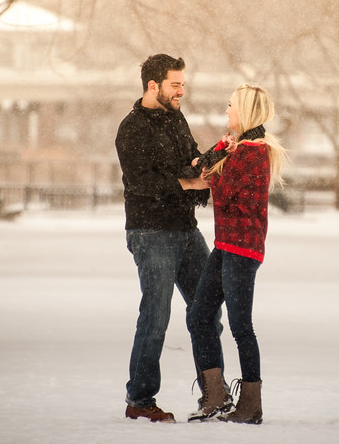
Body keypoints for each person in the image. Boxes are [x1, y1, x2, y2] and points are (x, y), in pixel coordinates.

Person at [115, 53, 220, 423]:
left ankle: (215, 395)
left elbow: (189, 160)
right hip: (151, 232)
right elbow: (143, 184)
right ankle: (140, 400)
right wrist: (187, 182)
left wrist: (209, 163)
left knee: (207, 308)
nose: (181, 91)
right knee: (156, 316)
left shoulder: (176, 118)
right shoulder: (131, 129)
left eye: (183, 84)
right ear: (153, 85)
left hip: (185, 229)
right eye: (175, 85)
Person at [187, 83, 286, 425]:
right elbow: (212, 168)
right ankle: (215, 395)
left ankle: (251, 405)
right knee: (199, 315)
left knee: (241, 326)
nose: (226, 111)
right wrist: (220, 152)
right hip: (226, 245)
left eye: (231, 106)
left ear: (244, 112)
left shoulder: (252, 152)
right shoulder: (239, 148)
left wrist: (215, 163)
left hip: (242, 249)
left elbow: (223, 192)